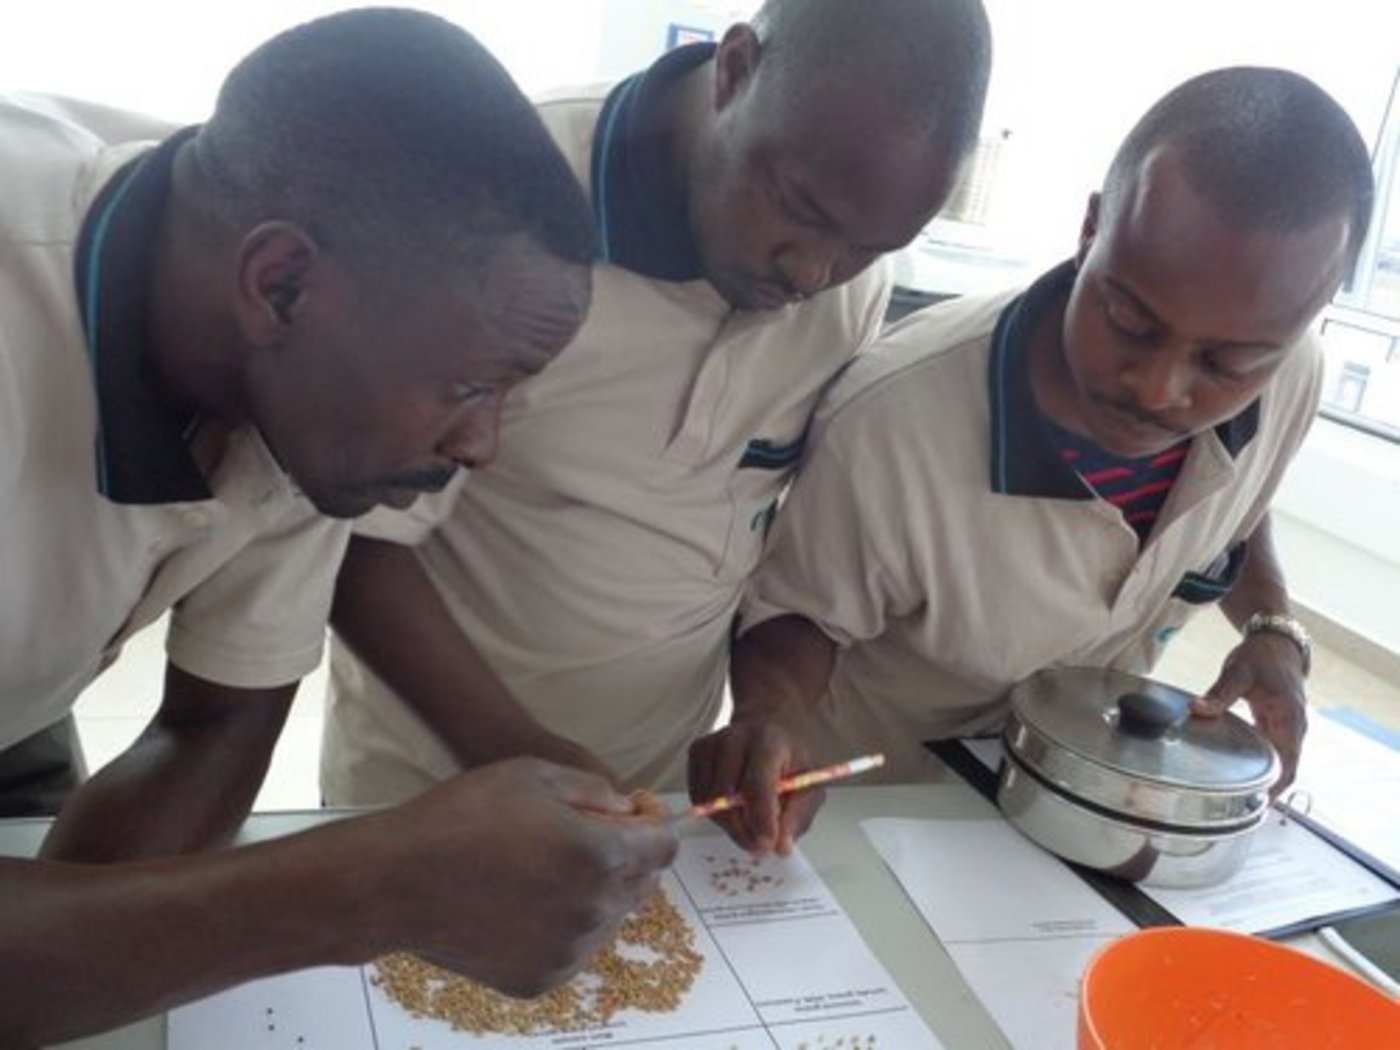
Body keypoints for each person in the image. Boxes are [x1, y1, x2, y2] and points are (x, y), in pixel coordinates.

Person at [0, 9, 675, 1044]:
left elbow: (216, 720)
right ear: (279, 285)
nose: (480, 447)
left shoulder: (304, 381)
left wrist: (75, 963)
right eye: (464, 385)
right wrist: (373, 888)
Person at [687, 66, 1376, 855]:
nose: (1158, 390)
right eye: (1128, 319)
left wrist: (1272, 626)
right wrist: (771, 718)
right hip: (871, 814)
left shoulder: (1290, 377)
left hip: (1074, 806)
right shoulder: (894, 418)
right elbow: (801, 611)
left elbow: (1236, 513)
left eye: (1226, 364)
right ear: (1091, 228)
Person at [321, 0, 994, 806]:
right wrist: (518, 752)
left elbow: (750, 536)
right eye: (803, 211)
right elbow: (355, 545)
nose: (814, 274)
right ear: (736, 70)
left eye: (870, 247)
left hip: (654, 787)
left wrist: (766, 713)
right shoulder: (503, 205)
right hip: (430, 778)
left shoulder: (847, 293)